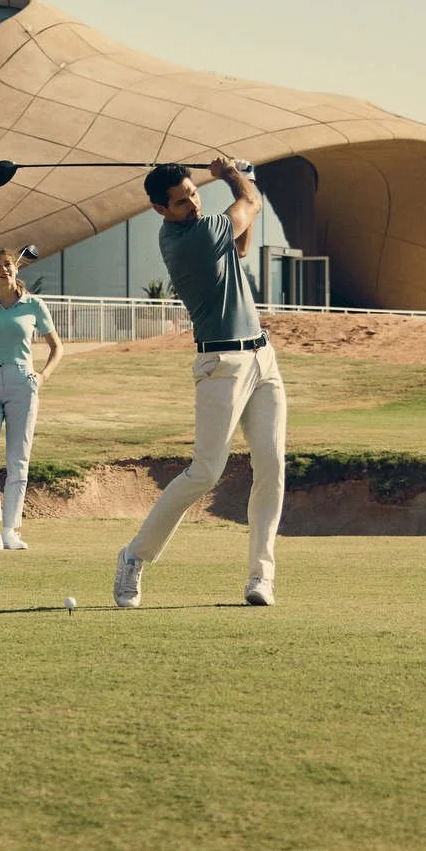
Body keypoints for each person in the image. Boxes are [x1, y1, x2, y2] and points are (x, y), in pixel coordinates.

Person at [114, 156, 287, 609]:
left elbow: (244, 246)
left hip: (262, 359)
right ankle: (134, 556)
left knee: (271, 465)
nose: (191, 203)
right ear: (160, 210)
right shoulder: (189, 238)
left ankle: (260, 577)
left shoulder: (208, 230)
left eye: (193, 194)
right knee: (206, 472)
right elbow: (249, 203)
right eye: (180, 201)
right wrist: (234, 175)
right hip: (220, 365)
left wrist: (243, 183)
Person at [0, 246, 61, 551]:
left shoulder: (34, 305)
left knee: (18, 460)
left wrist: (42, 376)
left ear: (16, 268)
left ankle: (10, 530)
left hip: (23, 382)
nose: (4, 270)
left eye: (8, 265)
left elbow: (57, 347)